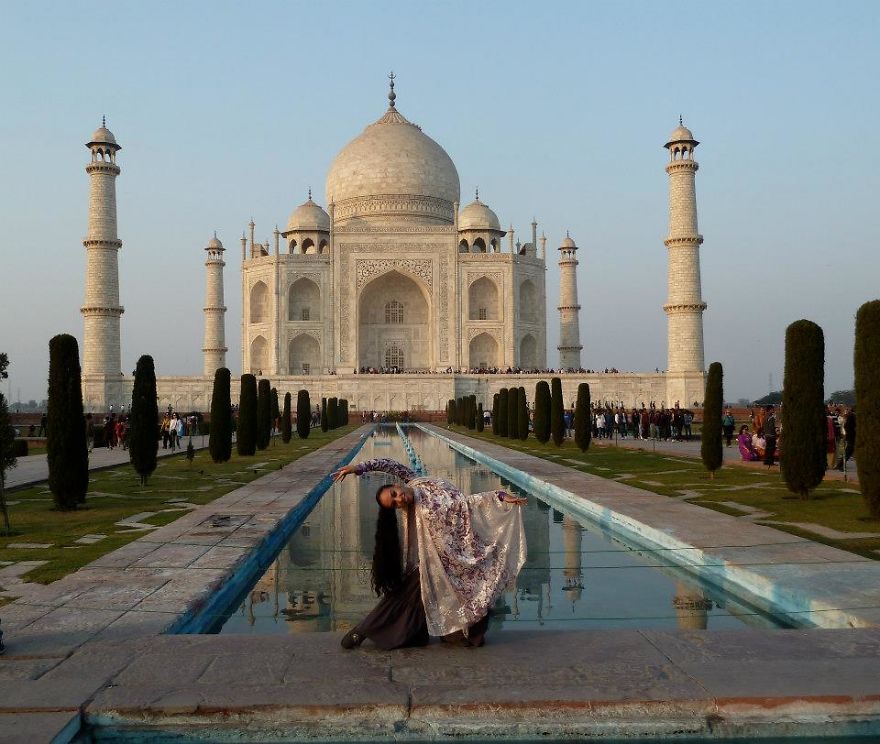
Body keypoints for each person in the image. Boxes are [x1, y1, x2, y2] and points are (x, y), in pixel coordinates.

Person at [331, 458, 527, 650]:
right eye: (394, 504)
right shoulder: (414, 508)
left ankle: (410, 633)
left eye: (394, 493)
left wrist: (359, 468)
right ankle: (362, 631)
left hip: (456, 560)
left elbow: (466, 503)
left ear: (396, 486)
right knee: (404, 598)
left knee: (457, 600)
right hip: (431, 565)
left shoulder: (418, 481)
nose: (399, 499)